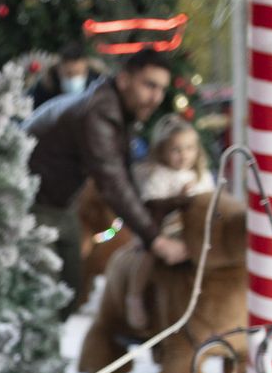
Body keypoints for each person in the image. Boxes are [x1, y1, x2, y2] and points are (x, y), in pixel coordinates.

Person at [23, 50, 190, 313]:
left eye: (161, 89)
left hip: (58, 204)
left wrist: (159, 212)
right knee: (49, 300)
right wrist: (155, 239)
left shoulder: (115, 108)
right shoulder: (98, 113)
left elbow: (124, 174)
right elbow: (112, 181)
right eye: (149, 85)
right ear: (124, 80)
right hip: (31, 204)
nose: (156, 98)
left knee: (69, 292)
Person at [121, 115, 215, 332]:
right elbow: (152, 210)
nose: (184, 155)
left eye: (189, 148)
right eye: (176, 149)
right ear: (163, 150)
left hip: (195, 232)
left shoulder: (202, 176)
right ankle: (134, 296)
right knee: (148, 255)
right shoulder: (159, 176)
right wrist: (178, 200)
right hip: (164, 231)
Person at [29, 41, 100, 109]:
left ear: (86, 70)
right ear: (59, 70)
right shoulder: (44, 89)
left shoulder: (98, 88)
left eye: (78, 73)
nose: (74, 78)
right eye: (69, 74)